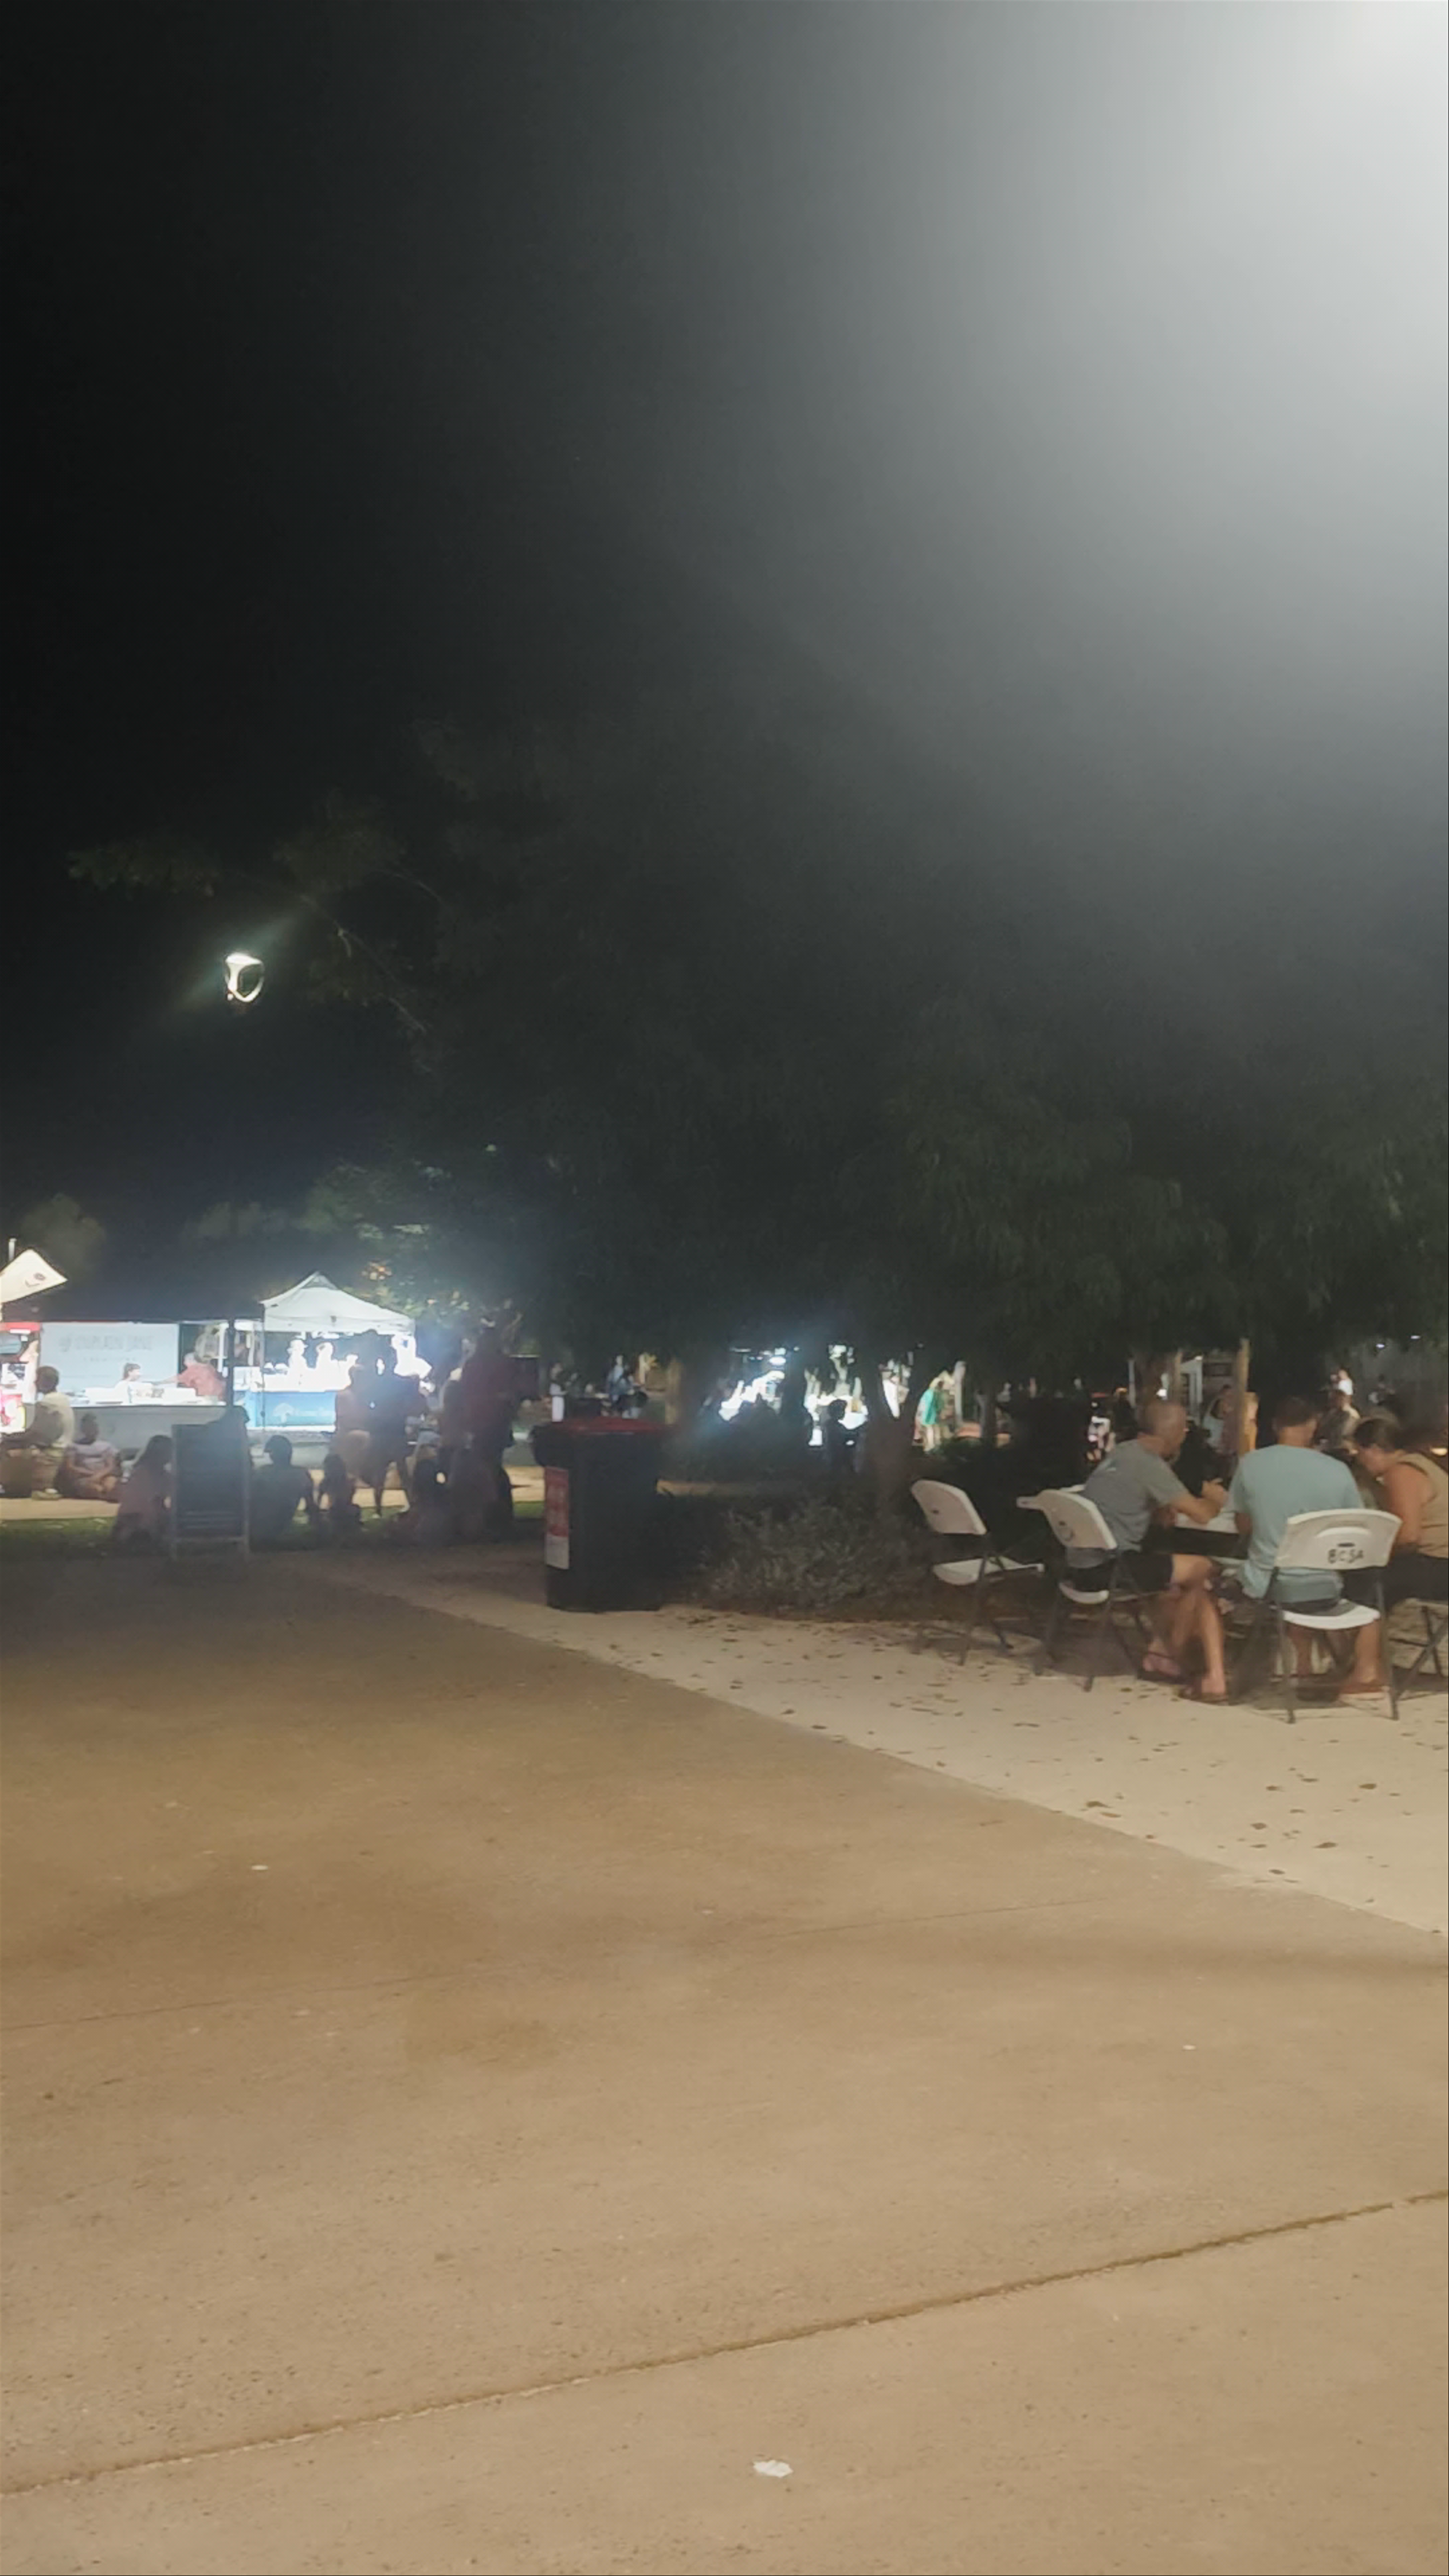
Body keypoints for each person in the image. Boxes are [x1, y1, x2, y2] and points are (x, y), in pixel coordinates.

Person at [1070, 1398, 1229, 1701]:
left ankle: (1162, 1652)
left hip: (1081, 1564)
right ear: (1175, 1433)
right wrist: (1216, 1498)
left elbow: (1130, 1498)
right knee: (1202, 1568)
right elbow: (1201, 1515)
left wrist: (1159, 1507)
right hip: (1112, 1566)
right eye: (1184, 1429)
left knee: (1175, 1586)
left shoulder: (1122, 1452)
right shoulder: (1149, 1463)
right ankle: (1169, 1655)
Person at [1341, 1415, 1449, 1691]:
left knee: (1366, 1581)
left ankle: (1366, 1669)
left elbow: (1409, 1536)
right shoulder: (1423, 1465)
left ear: (1375, 1449)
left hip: (1437, 1563)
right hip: (1440, 1562)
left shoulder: (1402, 1472)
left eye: (1362, 1454)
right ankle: (1362, 1661)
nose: (1362, 1462)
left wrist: (1375, 1551)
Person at [0, 1366, 76, 1495]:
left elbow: (39, 1435)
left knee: (4, 1449)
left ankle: (8, 1486)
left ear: (47, 1382)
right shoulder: (63, 1400)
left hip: (50, 1451)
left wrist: (10, 1438)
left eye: (38, 1379)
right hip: (61, 1448)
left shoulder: (49, 1403)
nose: (35, 1383)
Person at [249, 1434, 319, 1545]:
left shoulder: (263, 1473)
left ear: (273, 1455)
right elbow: (311, 1507)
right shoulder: (301, 1475)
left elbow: (251, 1502)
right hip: (283, 1524)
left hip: (259, 1528)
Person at [367, 1358, 414, 1516]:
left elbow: (370, 1403)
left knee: (381, 1471)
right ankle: (410, 1504)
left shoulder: (378, 1383)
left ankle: (378, 1509)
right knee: (401, 1471)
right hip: (394, 1430)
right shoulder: (401, 1383)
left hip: (384, 1431)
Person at [113, 1435, 172, 1551]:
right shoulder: (144, 1474)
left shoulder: (160, 1473)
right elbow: (155, 1503)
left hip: (138, 1522)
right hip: (136, 1525)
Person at [56, 1413, 122, 1502]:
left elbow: (110, 1466)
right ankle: (104, 1497)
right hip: (84, 1478)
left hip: (104, 1476)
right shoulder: (74, 1446)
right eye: (89, 1427)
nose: (92, 1430)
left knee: (110, 1486)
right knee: (96, 1489)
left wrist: (99, 1475)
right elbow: (70, 1467)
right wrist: (91, 1474)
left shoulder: (106, 1446)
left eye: (94, 1427)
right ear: (83, 1429)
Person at [317, 1447, 361, 1536]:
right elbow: (349, 1498)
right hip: (347, 1510)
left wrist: (320, 1512)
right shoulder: (350, 1481)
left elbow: (319, 1500)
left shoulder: (326, 1482)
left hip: (334, 1511)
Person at [1316, 1385, 1360, 1458]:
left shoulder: (1351, 1415)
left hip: (1344, 1448)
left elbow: (1345, 1433)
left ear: (1342, 1400)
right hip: (1331, 1446)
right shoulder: (1332, 1413)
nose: (1331, 1402)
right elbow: (1323, 1429)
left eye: (1334, 1399)